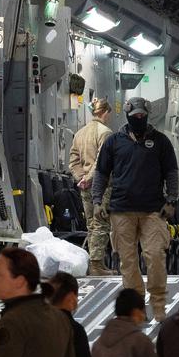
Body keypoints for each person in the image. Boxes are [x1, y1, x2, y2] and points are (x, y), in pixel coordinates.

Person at [92, 97, 179, 319]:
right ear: (128, 116)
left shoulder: (161, 141)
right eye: (135, 116)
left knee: (155, 256)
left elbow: (171, 171)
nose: (139, 119)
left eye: (142, 116)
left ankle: (159, 303)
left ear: (147, 115)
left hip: (153, 210)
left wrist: (172, 199)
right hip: (121, 210)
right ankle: (136, 306)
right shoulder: (113, 142)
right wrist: (96, 201)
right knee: (127, 260)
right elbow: (101, 173)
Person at [68, 99, 115, 275]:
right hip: (101, 186)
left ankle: (97, 263)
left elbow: (73, 160)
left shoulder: (80, 133)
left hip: (85, 187)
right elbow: (101, 161)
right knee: (101, 224)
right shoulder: (106, 133)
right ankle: (96, 265)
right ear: (105, 112)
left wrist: (81, 178)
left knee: (91, 224)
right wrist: (89, 178)